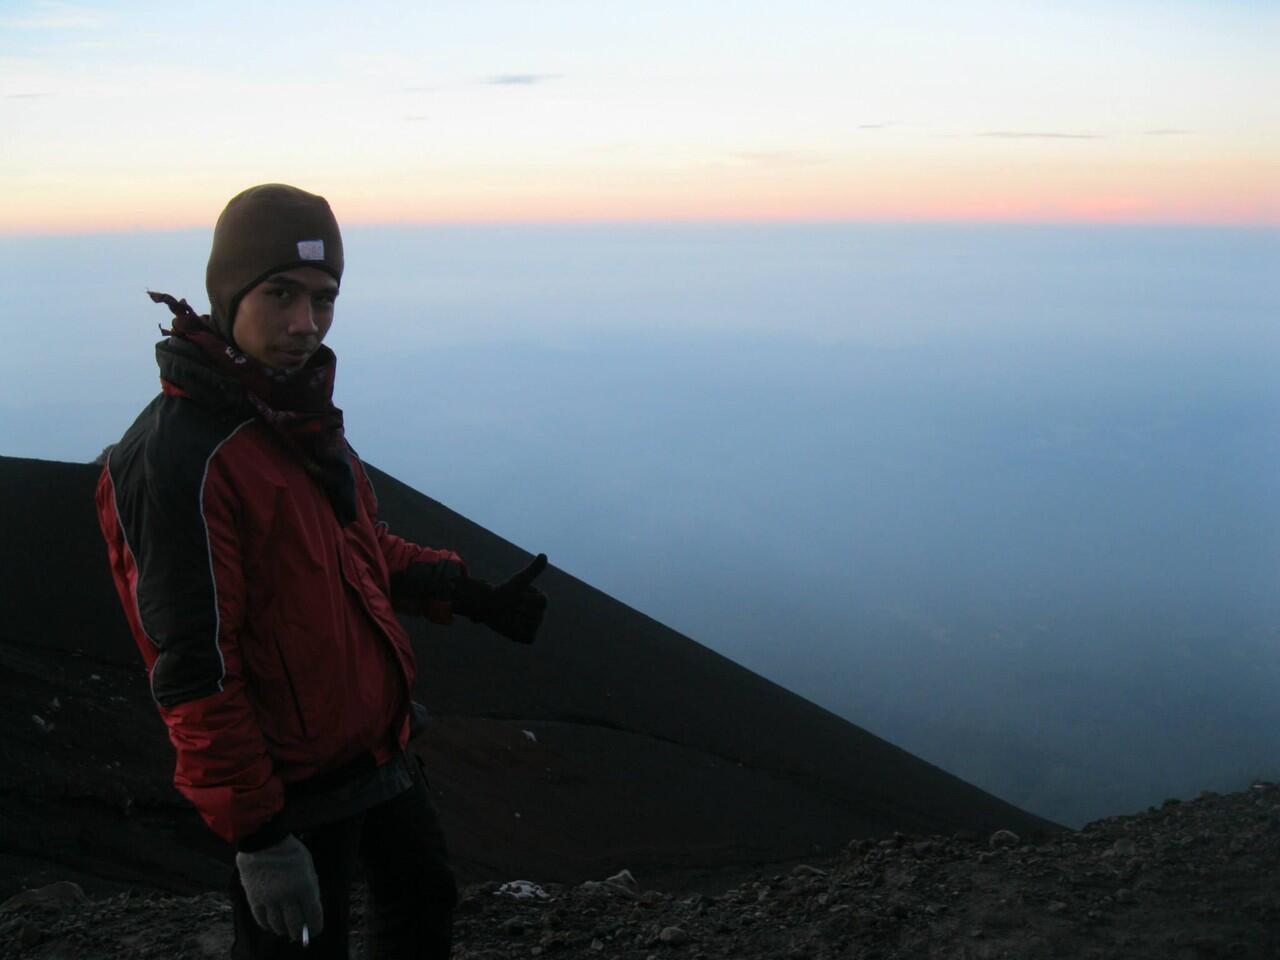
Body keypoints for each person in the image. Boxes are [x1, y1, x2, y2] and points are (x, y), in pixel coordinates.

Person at [95, 183, 548, 959]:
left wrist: (462, 592)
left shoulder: (292, 416)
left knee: (424, 901)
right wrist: (260, 838)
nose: (306, 325)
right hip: (290, 786)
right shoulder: (181, 458)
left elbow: (357, 551)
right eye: (280, 295)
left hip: (375, 746)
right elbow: (195, 671)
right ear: (228, 294)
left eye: (324, 299)